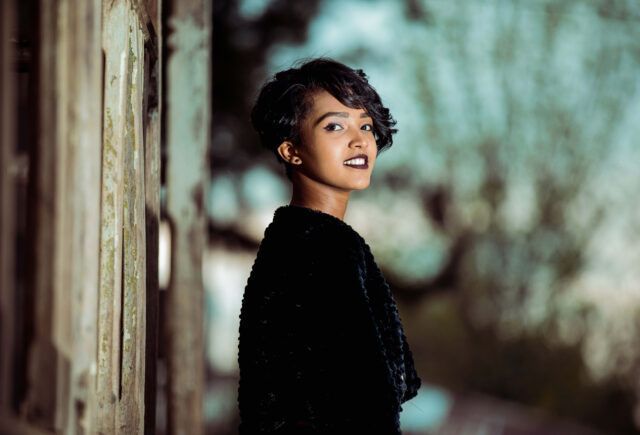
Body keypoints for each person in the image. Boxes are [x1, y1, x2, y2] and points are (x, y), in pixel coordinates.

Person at [237, 58, 421, 435]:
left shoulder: (302, 239)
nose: (360, 140)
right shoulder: (320, 246)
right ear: (291, 151)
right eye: (335, 126)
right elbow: (359, 404)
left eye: (366, 125)